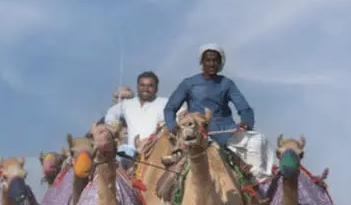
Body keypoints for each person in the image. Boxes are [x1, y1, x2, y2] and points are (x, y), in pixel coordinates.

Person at [163, 44, 271, 179]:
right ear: (202, 62)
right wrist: (173, 127)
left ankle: (256, 186)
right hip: (198, 132)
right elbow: (170, 108)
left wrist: (246, 123)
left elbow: (245, 109)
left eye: (215, 60)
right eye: (208, 60)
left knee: (257, 140)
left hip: (226, 131)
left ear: (220, 63)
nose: (212, 64)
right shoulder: (188, 83)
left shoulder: (227, 84)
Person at [104, 72, 168, 151]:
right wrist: (112, 125)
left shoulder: (164, 103)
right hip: (132, 155)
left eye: (150, 86)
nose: (145, 89)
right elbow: (112, 113)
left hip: (156, 153)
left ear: (156, 88)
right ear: (137, 87)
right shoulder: (128, 104)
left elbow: (181, 114)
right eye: (142, 85)